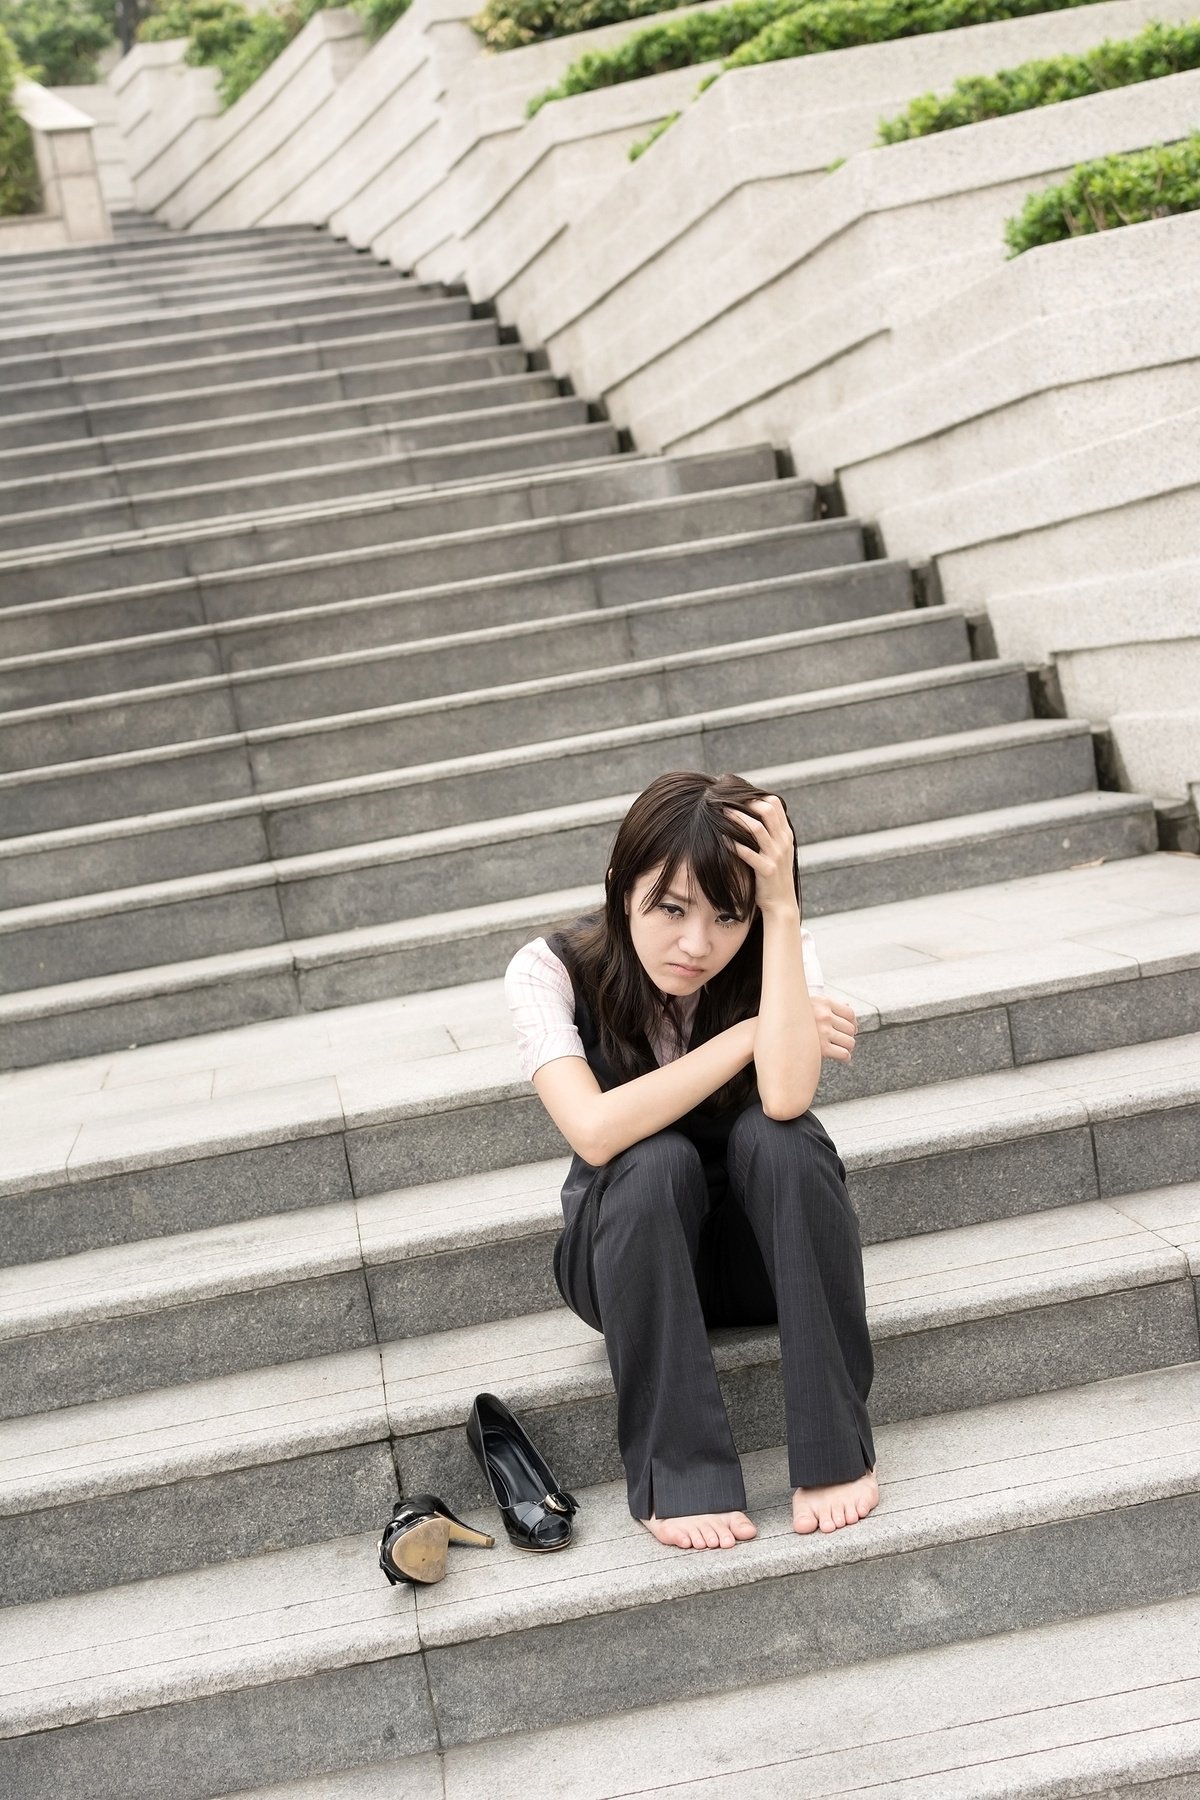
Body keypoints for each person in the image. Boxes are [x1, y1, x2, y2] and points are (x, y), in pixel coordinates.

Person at [504, 770, 878, 1552]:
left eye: (728, 914)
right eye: (670, 908)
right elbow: (595, 1131)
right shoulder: (549, 969)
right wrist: (747, 1034)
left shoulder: (780, 946)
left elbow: (783, 1096)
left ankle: (836, 1451)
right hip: (625, 1253)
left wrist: (781, 910)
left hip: (761, 1260)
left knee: (780, 1138)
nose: (697, 944)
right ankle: (679, 1475)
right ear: (619, 888)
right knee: (652, 1160)